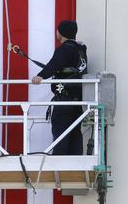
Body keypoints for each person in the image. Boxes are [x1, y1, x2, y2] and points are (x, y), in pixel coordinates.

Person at [32, 20, 87, 155]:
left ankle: (59, 164)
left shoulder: (65, 49)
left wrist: (40, 76)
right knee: (75, 134)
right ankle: (76, 164)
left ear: (61, 33)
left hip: (64, 100)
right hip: (78, 100)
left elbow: (54, 64)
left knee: (61, 134)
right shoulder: (81, 50)